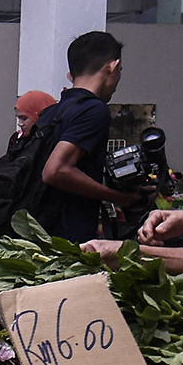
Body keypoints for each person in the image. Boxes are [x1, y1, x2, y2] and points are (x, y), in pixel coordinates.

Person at [39, 31, 147, 242]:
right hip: (67, 241)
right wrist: (120, 198)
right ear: (112, 67)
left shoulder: (53, 112)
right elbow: (54, 171)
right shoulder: (94, 110)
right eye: (120, 70)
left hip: (42, 233)